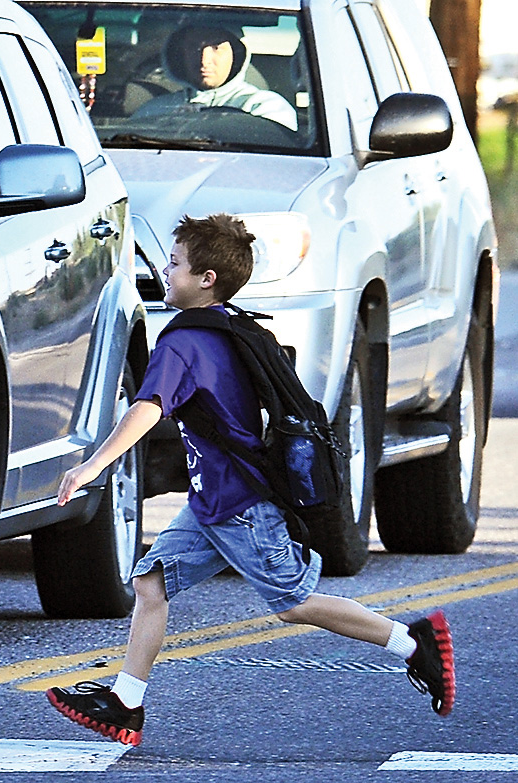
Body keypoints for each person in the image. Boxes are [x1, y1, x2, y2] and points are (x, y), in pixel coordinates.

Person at [44, 213, 455, 747]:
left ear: (206, 278)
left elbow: (148, 408)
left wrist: (92, 465)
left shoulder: (183, 344)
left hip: (238, 504)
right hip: (214, 501)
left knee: (293, 604)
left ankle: (414, 643)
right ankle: (127, 702)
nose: (165, 274)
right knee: (150, 584)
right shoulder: (228, 326)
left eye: (174, 265)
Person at [133, 25, 298, 131]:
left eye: (216, 47)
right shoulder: (155, 110)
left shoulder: (265, 107)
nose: (204, 60)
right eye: (193, 48)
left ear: (237, 53)